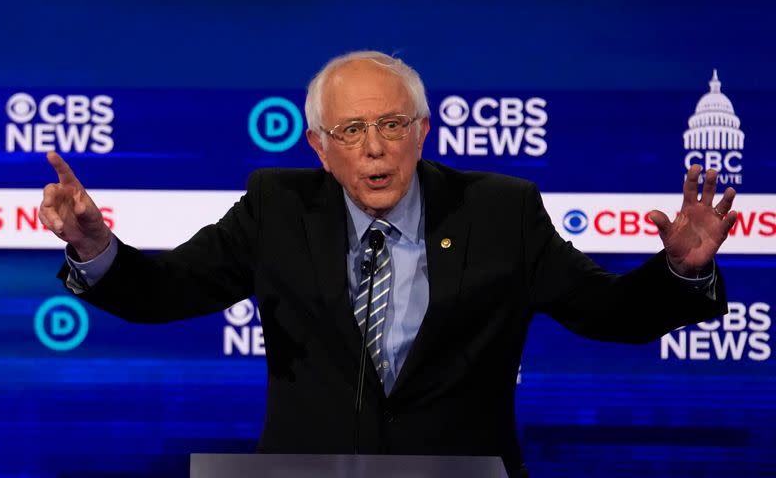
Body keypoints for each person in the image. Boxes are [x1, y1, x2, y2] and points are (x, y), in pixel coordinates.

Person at [39, 51, 738, 477]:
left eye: (392, 124)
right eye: (351, 130)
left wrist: (678, 272)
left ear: (423, 131)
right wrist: (96, 247)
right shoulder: (277, 209)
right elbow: (166, 292)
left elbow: (605, 313)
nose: (375, 148)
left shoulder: (499, 210)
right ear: (318, 145)